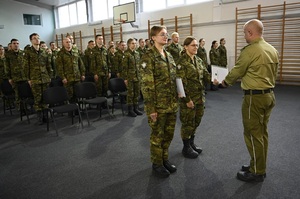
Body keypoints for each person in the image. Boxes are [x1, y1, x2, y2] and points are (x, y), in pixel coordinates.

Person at [221, 19, 278, 182]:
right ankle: (257, 163)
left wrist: (225, 82)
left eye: (245, 32)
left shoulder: (250, 50)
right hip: (269, 96)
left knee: (253, 134)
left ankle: (257, 171)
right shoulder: (272, 49)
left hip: (254, 98)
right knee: (262, 133)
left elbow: (238, 70)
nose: (244, 35)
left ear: (250, 33)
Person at [139, 25, 178, 178]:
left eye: (166, 34)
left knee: (168, 134)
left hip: (171, 104)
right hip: (158, 106)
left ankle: (164, 158)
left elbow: (174, 79)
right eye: (162, 34)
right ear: (153, 38)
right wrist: (151, 109)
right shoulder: (147, 57)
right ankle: (157, 163)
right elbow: (147, 86)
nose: (165, 36)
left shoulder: (169, 55)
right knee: (157, 136)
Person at [177, 36, 219, 159]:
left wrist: (214, 80)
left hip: (200, 97)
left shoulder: (198, 60)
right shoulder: (181, 63)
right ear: (185, 47)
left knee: (196, 121)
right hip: (189, 99)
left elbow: (206, 75)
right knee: (187, 123)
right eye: (193, 45)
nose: (196, 47)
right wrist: (187, 100)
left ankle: (191, 143)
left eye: (196, 45)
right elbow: (179, 84)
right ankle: (186, 147)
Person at [24, 33, 53, 124]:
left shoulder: (44, 51)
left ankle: (46, 116)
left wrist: (50, 76)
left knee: (45, 98)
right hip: (34, 79)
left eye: (38, 38)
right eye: (34, 38)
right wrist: (28, 79)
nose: (37, 40)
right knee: (37, 99)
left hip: (45, 78)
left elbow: (48, 65)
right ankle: (40, 117)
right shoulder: (28, 52)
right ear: (31, 40)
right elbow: (25, 67)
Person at [56, 37, 85, 102]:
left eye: (69, 42)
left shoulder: (75, 51)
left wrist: (83, 74)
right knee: (70, 95)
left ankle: (78, 110)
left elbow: (80, 64)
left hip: (77, 77)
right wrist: (63, 77)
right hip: (67, 78)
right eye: (67, 42)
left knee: (78, 94)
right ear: (63, 44)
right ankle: (72, 111)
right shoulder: (60, 54)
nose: (68, 43)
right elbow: (59, 67)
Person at [121, 38, 143, 117]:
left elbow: (139, 65)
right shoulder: (126, 54)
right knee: (130, 94)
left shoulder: (137, 53)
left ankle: (135, 108)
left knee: (136, 93)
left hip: (137, 76)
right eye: (133, 43)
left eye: (135, 43)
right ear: (129, 44)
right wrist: (125, 79)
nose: (134, 45)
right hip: (130, 77)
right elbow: (124, 68)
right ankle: (130, 110)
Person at [5, 39, 28, 111]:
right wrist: (9, 78)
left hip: (24, 77)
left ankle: (26, 107)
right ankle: (21, 109)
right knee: (18, 94)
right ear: (11, 45)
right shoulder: (8, 55)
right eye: (14, 43)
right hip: (15, 78)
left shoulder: (22, 53)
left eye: (17, 43)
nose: (16, 45)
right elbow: (7, 67)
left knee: (26, 93)